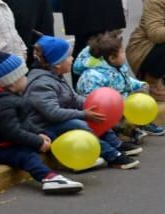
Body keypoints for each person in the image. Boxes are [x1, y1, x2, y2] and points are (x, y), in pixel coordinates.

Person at [0, 51, 83, 194]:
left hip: (13, 141)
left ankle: (69, 160)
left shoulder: (10, 97)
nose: (26, 78)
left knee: (50, 135)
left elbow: (23, 123)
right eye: (23, 76)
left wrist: (38, 133)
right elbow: (12, 132)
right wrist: (37, 142)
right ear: (12, 82)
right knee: (27, 156)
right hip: (2, 148)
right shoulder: (2, 104)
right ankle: (49, 178)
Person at [24, 36, 138, 169]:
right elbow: (53, 113)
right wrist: (83, 114)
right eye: (68, 57)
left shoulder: (55, 76)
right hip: (43, 127)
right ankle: (113, 155)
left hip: (57, 121)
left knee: (96, 115)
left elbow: (73, 98)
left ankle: (116, 144)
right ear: (57, 64)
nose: (72, 59)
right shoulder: (41, 83)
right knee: (78, 123)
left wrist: (94, 106)